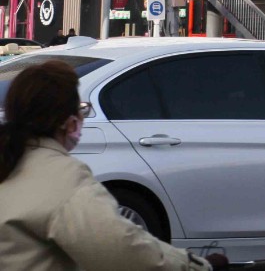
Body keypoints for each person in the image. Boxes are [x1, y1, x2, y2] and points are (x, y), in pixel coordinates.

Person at [0, 59, 226, 271]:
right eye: (81, 110)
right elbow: (121, 250)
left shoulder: (11, 161)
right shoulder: (60, 177)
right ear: (68, 122)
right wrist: (193, 265)